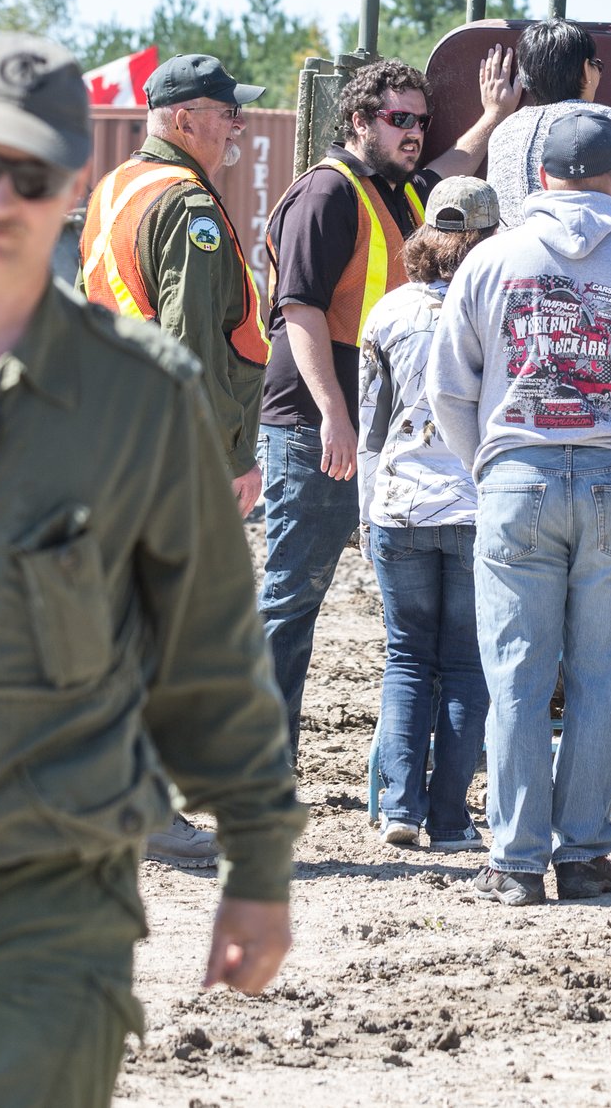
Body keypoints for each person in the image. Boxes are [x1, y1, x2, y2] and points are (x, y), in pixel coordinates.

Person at [0, 35, 302, 1106]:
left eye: (34, 174)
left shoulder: (142, 401)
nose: (0, 196)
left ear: (74, 181)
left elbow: (209, 651)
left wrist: (257, 864)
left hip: (36, 907)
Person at [430, 104, 611, 905]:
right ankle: (584, 852)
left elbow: (449, 386)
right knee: (602, 674)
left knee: (516, 673)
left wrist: (489, 460)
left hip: (516, 473)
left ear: (540, 178)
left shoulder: (491, 261)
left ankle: (516, 859)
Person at [256, 49, 518, 757]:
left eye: (421, 120)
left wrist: (493, 116)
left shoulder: (397, 192)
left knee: (305, 604)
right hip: (316, 430)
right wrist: (336, 416)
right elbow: (299, 311)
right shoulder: (328, 192)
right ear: (358, 119)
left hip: (355, 433)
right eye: (400, 119)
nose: (414, 132)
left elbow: (447, 171)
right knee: (289, 602)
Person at [74, 50, 273, 870]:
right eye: (228, 112)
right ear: (185, 117)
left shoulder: (115, 188)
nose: (238, 126)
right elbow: (192, 341)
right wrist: (223, 456)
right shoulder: (187, 204)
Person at [355, 177, 500, 854]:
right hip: (474, 504)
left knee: (408, 660)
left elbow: (371, 426)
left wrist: (366, 510)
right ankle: (450, 818)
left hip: (400, 503)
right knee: (467, 664)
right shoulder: (497, 309)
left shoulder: (387, 313)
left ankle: (400, 807)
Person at [484, 19, 611, 244]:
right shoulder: (605, 120)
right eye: (598, 65)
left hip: (507, 255)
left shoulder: (502, 129)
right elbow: (605, 210)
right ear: (586, 71)